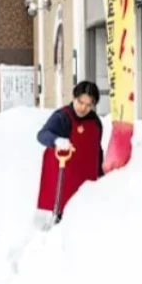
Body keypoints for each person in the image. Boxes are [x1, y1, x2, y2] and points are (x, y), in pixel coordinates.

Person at [36, 81, 105, 223]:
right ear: (74, 98)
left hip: (86, 184)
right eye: (80, 102)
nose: (83, 108)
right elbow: (42, 134)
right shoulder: (63, 117)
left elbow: (97, 150)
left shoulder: (95, 122)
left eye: (88, 105)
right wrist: (56, 140)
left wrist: (101, 175)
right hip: (64, 185)